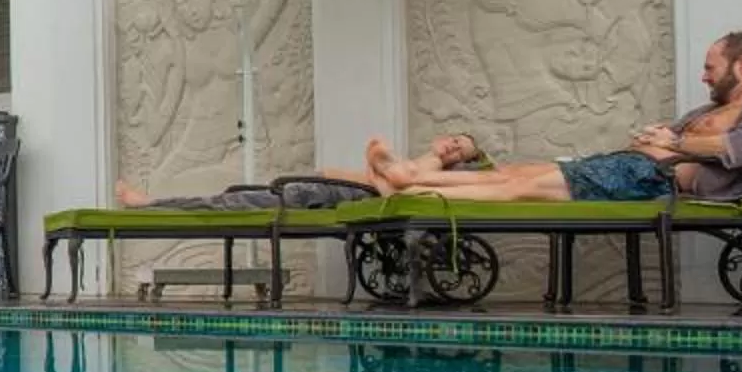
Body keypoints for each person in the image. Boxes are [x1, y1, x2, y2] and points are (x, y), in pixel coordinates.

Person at [368, 32, 742, 206]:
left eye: (711, 67)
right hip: (628, 166)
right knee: (513, 172)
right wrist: (663, 136)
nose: (704, 75)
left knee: (517, 189)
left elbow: (737, 149)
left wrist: (671, 142)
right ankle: (409, 177)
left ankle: (407, 191)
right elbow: (683, 139)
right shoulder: (709, 111)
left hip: (649, 178)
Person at [112, 133, 488, 211]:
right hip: (320, 188)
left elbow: (393, 194)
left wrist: (376, 172)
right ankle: (151, 202)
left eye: (461, 150)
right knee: (235, 196)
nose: (453, 146)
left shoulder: (433, 169)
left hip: (331, 194)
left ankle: (149, 204)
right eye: (455, 139)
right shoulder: (425, 162)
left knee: (234, 201)